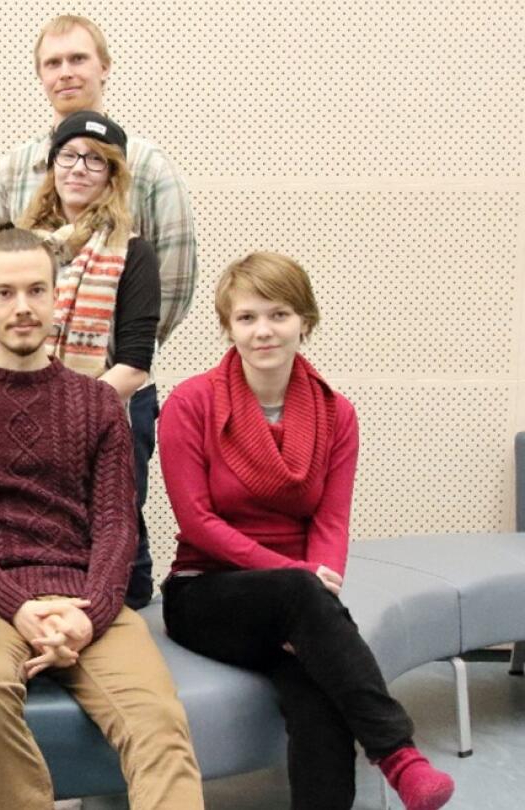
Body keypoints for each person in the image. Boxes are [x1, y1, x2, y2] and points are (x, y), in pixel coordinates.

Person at [0, 229, 203, 810]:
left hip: (86, 597)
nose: (22, 307)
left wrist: (89, 616)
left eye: (35, 291)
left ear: (55, 297)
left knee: (159, 719)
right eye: (5, 293)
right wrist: (18, 607)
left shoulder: (98, 402)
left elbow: (118, 526)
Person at [158, 253, 455, 810]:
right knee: (300, 599)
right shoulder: (190, 404)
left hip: (302, 599)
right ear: (228, 327)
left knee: (317, 694)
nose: (263, 331)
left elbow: (331, 520)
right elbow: (197, 521)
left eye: (279, 314)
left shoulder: (337, 414)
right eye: (247, 317)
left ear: (305, 321)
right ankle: (397, 754)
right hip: (207, 592)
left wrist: (319, 584)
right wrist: (301, 578)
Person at [0, 14, 197, 606]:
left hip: (116, 390)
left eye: (78, 59)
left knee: (117, 532)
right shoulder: (13, 170)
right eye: (53, 63)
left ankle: (117, 619)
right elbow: (1, 281)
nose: (66, 72)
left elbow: (171, 285)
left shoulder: (151, 169)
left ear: (104, 67)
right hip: (23, 388)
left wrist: (118, 352)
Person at [15, 110, 159, 402]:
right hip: (17, 406)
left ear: (112, 176)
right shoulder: (20, 246)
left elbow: (134, 366)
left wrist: (72, 410)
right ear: (53, 167)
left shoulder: (134, 252)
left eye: (95, 159)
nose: (79, 169)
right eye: (68, 155)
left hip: (97, 414)